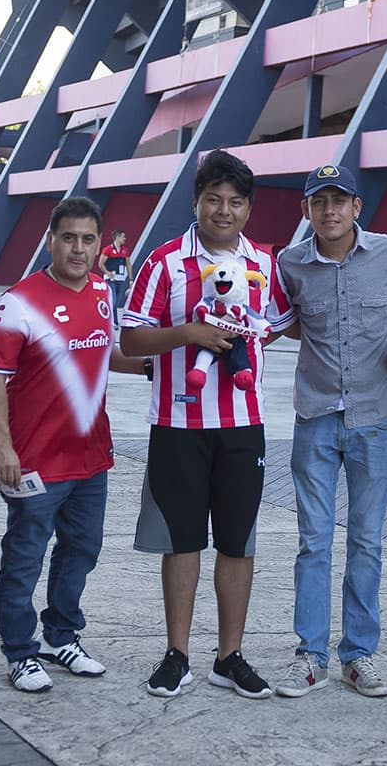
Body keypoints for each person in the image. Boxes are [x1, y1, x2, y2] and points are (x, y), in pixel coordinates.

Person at [121, 149, 294, 700]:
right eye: (214, 199)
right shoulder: (165, 261)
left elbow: (281, 319)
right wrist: (191, 334)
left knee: (238, 543)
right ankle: (178, 655)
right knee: (183, 541)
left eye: (236, 202)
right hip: (178, 421)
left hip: (244, 424)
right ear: (196, 201)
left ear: (248, 208)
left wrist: (253, 340)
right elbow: (130, 338)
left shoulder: (264, 264)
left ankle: (230, 656)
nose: (224, 210)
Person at [0, 196, 144, 693]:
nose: (78, 248)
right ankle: (20, 651)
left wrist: (153, 364)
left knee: (82, 549)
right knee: (25, 555)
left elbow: (103, 353)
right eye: (68, 238)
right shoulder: (20, 299)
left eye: (88, 239)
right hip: (35, 460)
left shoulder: (100, 290)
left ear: (101, 244)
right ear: (50, 240)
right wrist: (3, 448)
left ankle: (60, 635)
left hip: (90, 457)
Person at [273, 164, 387, 699]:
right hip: (315, 420)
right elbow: (282, 323)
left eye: (340, 200)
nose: (329, 210)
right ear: (306, 210)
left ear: (357, 207)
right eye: (318, 201)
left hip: (375, 419)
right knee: (313, 542)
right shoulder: (290, 265)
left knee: (367, 541)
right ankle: (310, 656)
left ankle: (358, 655)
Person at [97, 229, 133, 326]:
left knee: (116, 303)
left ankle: (114, 321)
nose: (125, 239)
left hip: (120, 280)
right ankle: (111, 322)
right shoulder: (107, 249)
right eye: (123, 237)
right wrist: (107, 273)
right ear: (117, 237)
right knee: (113, 300)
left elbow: (128, 265)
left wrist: (130, 280)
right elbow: (100, 264)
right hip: (110, 279)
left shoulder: (125, 250)